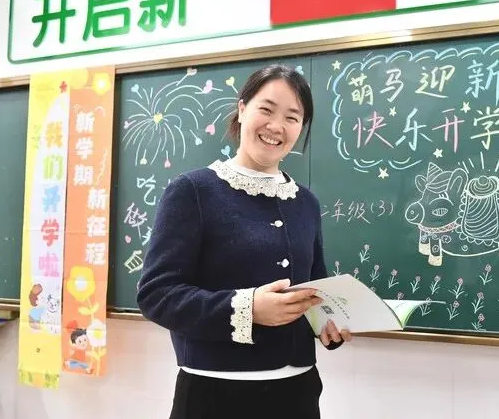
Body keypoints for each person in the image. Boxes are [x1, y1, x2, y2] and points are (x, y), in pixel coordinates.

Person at [136, 64, 351, 419]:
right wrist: (247, 308)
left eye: (292, 117)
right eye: (266, 109)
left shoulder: (306, 202)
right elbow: (157, 295)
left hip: (298, 393)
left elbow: (314, 289)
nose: (277, 126)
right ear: (241, 109)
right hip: (215, 394)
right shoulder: (193, 191)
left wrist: (330, 322)